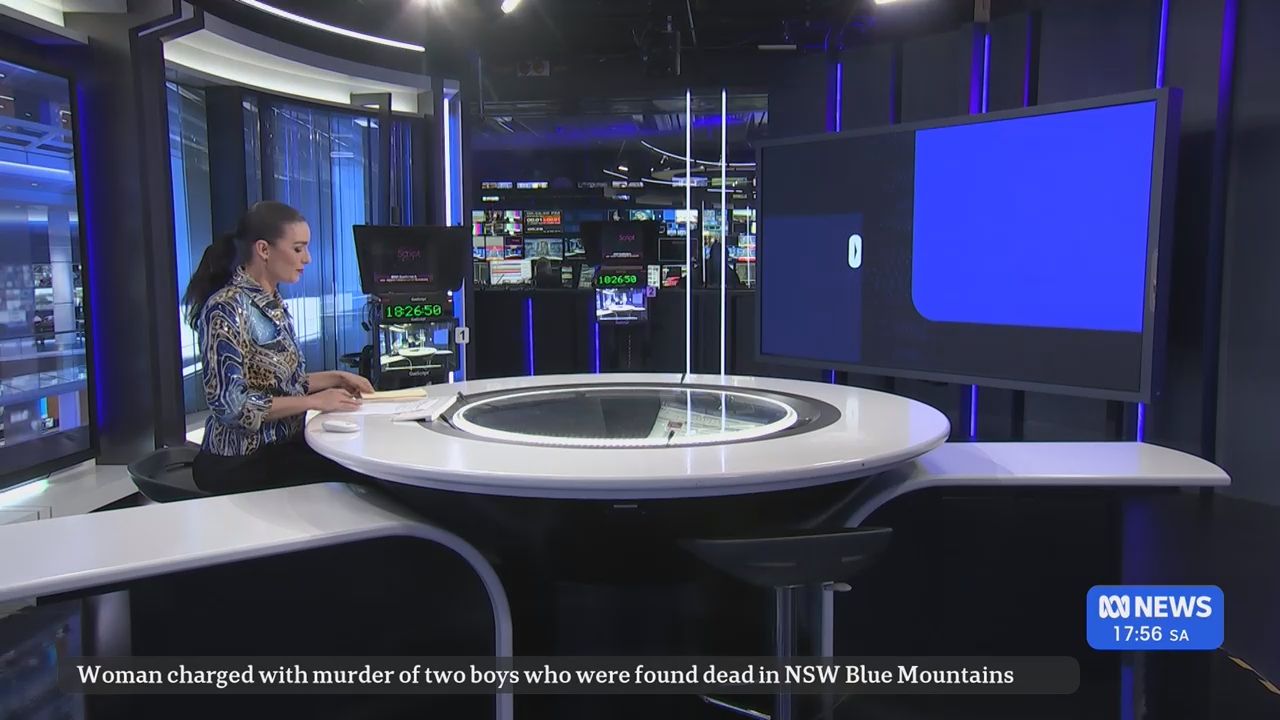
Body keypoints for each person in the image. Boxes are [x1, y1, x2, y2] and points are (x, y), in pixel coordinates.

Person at [182, 201, 374, 494]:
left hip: (282, 448)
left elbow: (279, 384)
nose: (307, 258)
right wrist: (314, 402)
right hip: (241, 460)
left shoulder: (273, 303)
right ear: (264, 250)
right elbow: (232, 407)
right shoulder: (226, 308)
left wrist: (337, 378)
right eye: (298, 249)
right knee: (357, 478)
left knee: (360, 462)